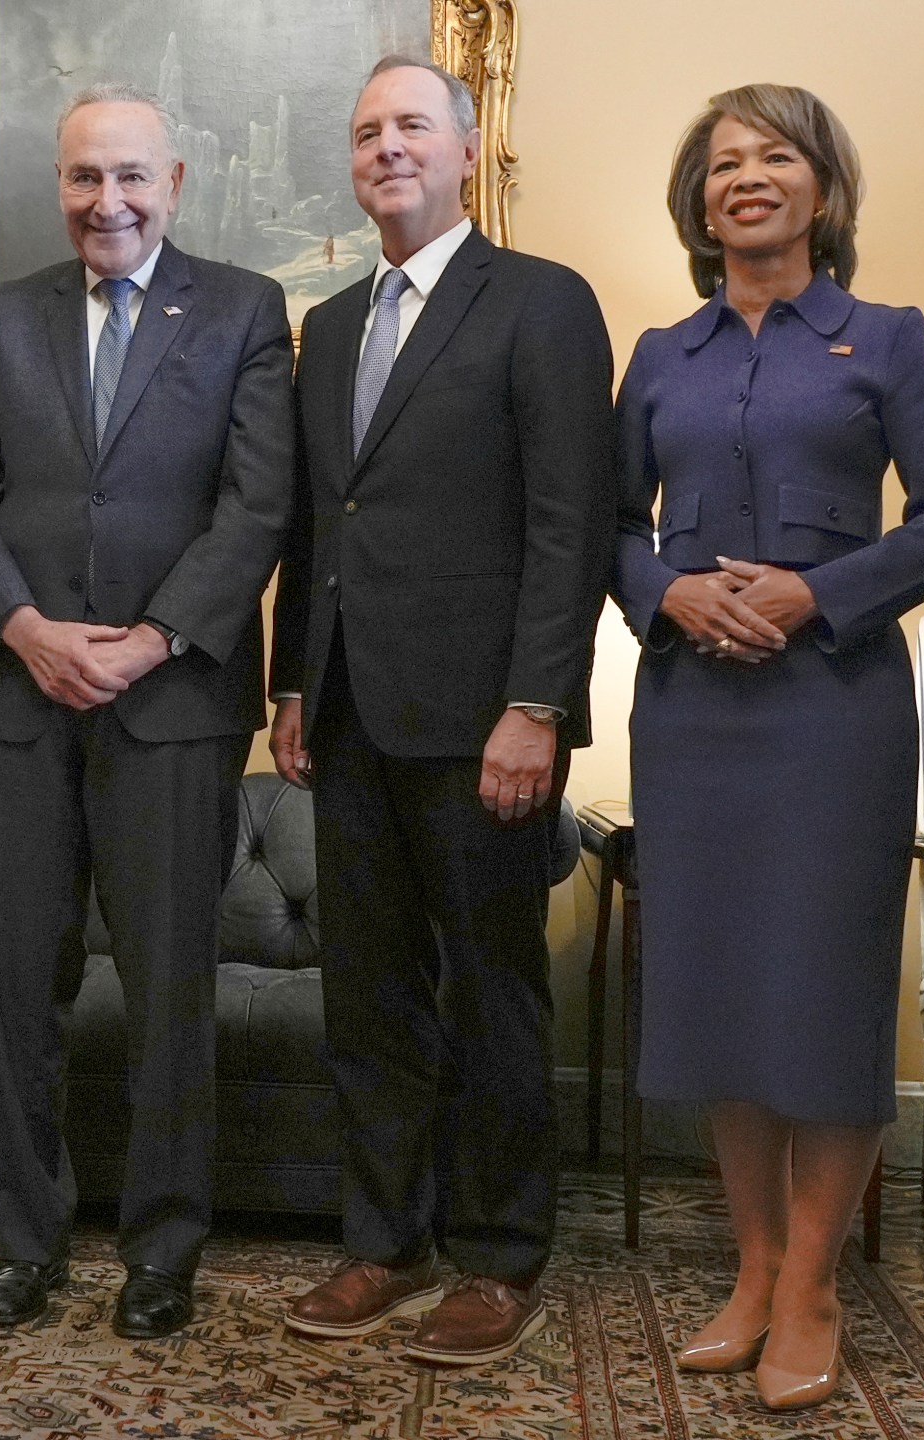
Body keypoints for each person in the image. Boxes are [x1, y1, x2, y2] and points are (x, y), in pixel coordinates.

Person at [613, 84, 924, 1411]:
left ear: (822, 190)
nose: (747, 179)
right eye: (723, 165)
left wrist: (817, 593)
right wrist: (667, 590)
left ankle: (818, 1282)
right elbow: (609, 525)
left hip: (837, 715)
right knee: (716, 989)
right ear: (698, 203)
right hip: (694, 714)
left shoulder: (885, 338)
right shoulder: (661, 354)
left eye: (775, 158)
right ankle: (756, 1269)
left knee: (819, 995)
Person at [0, 83, 293, 1339]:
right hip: (20, 700)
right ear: (59, 186)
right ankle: (26, 1243)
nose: (107, 201)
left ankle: (162, 1247)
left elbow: (255, 507)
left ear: (175, 183)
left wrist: (148, 642)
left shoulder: (243, 308)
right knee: (16, 990)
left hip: (174, 705)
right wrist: (25, 630)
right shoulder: (6, 314)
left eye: (130, 177)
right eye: (85, 178)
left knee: (170, 991)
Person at [270, 55, 615, 1367]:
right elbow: (323, 520)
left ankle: (499, 1254)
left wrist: (539, 705)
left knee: (492, 996)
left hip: (483, 722)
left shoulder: (539, 302)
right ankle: (385, 1241)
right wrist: (292, 680)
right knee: (368, 998)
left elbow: (568, 523)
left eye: (412, 124)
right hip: (351, 717)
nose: (386, 147)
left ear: (468, 151)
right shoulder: (334, 324)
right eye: (366, 132)